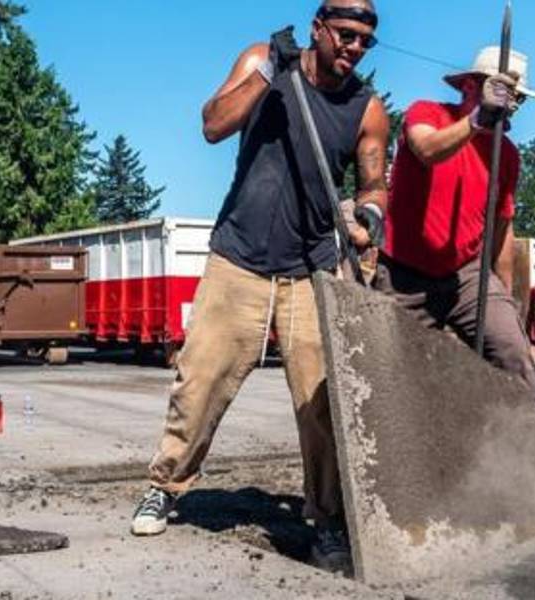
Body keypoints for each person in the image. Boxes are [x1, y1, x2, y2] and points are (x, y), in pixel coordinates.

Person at [129, 0, 391, 573]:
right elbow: (213, 124)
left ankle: (326, 520)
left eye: (365, 41)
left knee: (323, 402)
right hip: (240, 256)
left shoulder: (367, 109)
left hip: (313, 267)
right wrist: (271, 70)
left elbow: (375, 186)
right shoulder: (264, 62)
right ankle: (165, 486)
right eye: (344, 34)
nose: (352, 48)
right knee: (199, 381)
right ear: (319, 26)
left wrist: (367, 221)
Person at [376, 46, 535, 398]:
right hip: (404, 274)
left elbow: (501, 230)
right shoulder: (427, 113)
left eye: (516, 98)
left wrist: (508, 299)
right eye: (500, 91)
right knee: (390, 375)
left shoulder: (507, 154)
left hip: (466, 276)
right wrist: (477, 120)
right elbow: (427, 150)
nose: (510, 104)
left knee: (512, 353)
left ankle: (528, 445)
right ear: (470, 86)